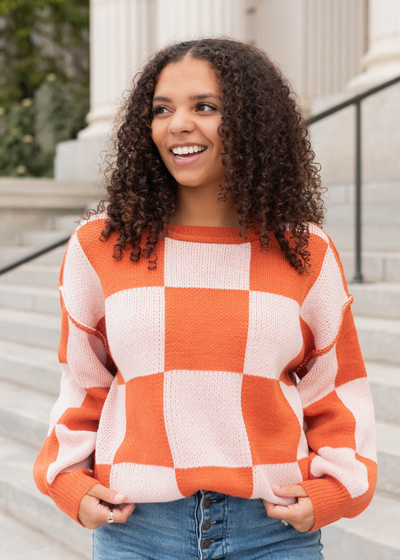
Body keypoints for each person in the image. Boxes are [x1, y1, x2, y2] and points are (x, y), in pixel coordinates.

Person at [33, 37, 377, 559]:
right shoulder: (101, 245)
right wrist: (67, 481)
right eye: (162, 109)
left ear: (253, 124)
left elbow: (337, 392)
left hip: (273, 533)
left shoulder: (305, 250)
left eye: (206, 107)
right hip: (138, 532)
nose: (178, 124)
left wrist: (336, 489)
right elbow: (84, 385)